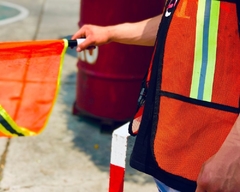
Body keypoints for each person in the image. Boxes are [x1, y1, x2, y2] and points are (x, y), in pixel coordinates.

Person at [72, 0, 240, 191]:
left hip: (214, 160)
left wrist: (234, 152)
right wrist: (110, 33)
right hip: (179, 151)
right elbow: (183, 21)